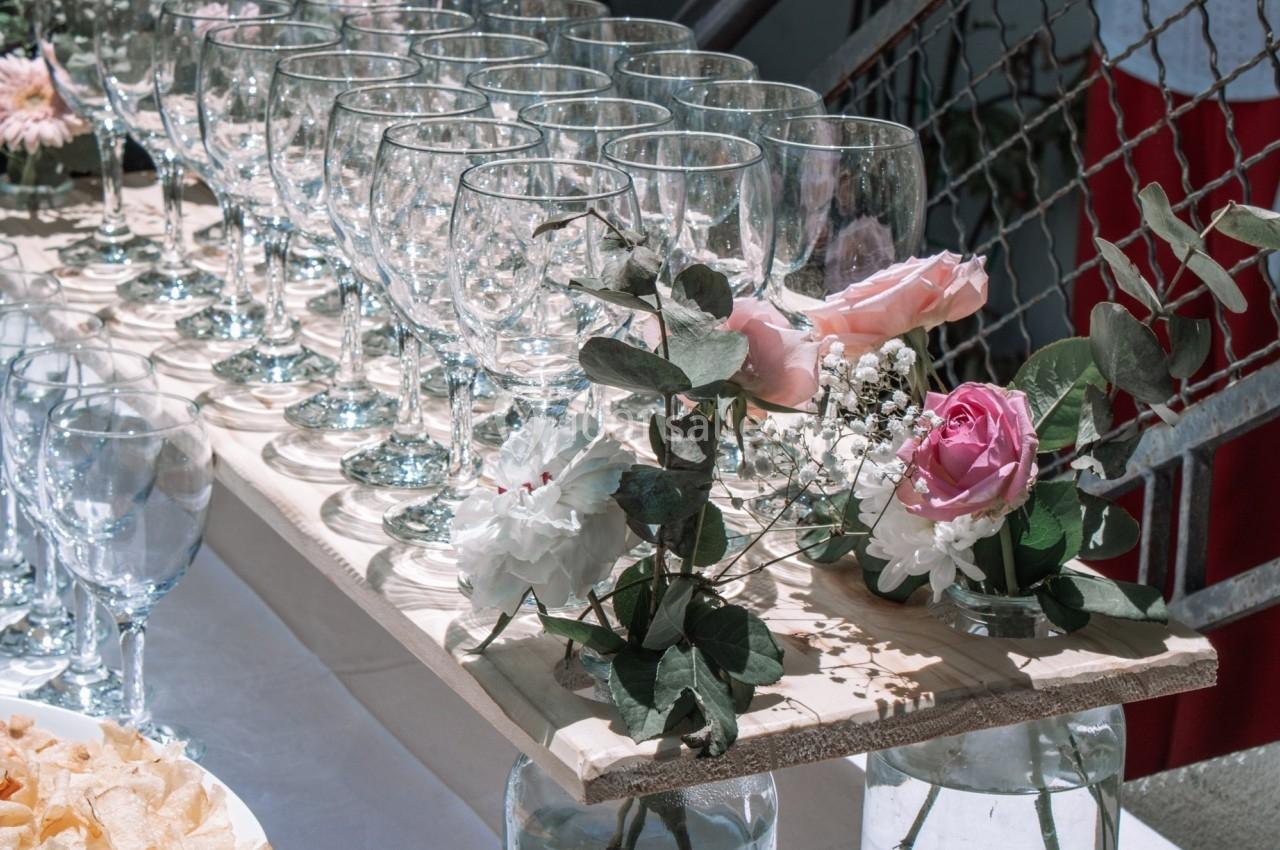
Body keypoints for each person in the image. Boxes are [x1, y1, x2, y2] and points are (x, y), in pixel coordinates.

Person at [1075, 0, 1280, 778]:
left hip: (1258, 68)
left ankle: (1215, 758)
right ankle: (1098, 732)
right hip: (1146, 42)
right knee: (1118, 392)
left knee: (1247, 453)